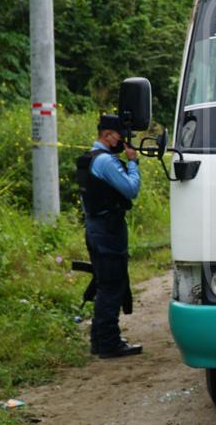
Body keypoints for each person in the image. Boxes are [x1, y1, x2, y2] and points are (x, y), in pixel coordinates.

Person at [76, 114, 143, 358]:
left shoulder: (90, 158)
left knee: (104, 284)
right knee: (112, 286)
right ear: (107, 135)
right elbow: (131, 189)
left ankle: (100, 340)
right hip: (108, 230)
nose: (123, 142)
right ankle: (109, 343)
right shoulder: (105, 161)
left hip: (96, 227)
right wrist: (133, 162)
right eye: (120, 137)